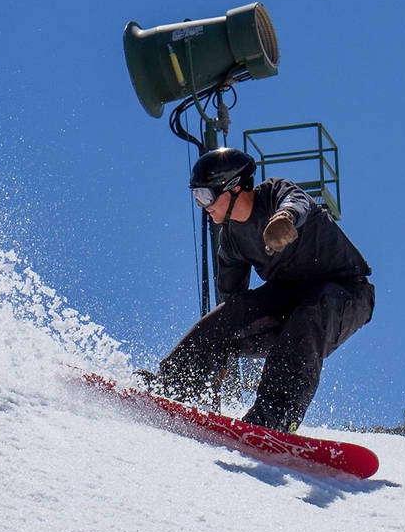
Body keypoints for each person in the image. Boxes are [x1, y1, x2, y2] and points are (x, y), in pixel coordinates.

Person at [141, 146, 374, 432]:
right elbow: (233, 305)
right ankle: (178, 386)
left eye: (206, 196)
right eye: (196, 197)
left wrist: (285, 218)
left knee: (306, 323)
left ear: (234, 188)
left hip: (347, 292)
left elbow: (298, 201)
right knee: (228, 319)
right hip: (289, 296)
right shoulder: (231, 241)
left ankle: (274, 417)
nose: (202, 205)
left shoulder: (275, 194)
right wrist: (222, 347)